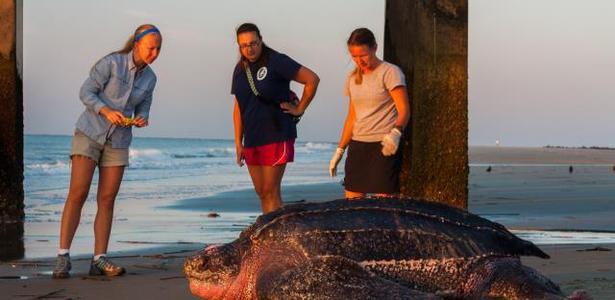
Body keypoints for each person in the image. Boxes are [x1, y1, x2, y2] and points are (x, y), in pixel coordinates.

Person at [52, 24, 162, 278]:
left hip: (119, 140)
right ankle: (62, 257)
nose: (154, 53)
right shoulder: (112, 63)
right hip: (89, 132)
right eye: (150, 47)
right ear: (136, 43)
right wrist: (105, 110)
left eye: (158, 49)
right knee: (77, 193)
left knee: (107, 199)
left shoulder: (151, 78)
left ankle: (99, 259)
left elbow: (144, 105)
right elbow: (86, 92)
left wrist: (142, 118)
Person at [231, 23, 319, 213]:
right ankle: (274, 232)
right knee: (262, 191)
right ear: (239, 46)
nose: (250, 48)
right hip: (253, 138)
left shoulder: (276, 61)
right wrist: (238, 142)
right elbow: (238, 106)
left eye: (253, 43)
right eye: (244, 45)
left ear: (261, 40)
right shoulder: (240, 70)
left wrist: (300, 108)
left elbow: (312, 79)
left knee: (271, 191)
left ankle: (275, 237)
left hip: (277, 132)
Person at [329, 27, 410, 199]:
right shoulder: (352, 78)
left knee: (385, 205)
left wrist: (396, 133)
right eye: (354, 56)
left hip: (384, 146)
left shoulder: (390, 72)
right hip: (358, 145)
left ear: (374, 48)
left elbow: (404, 109)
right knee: (352, 204)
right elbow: (352, 117)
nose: (359, 61)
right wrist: (340, 150)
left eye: (363, 55)